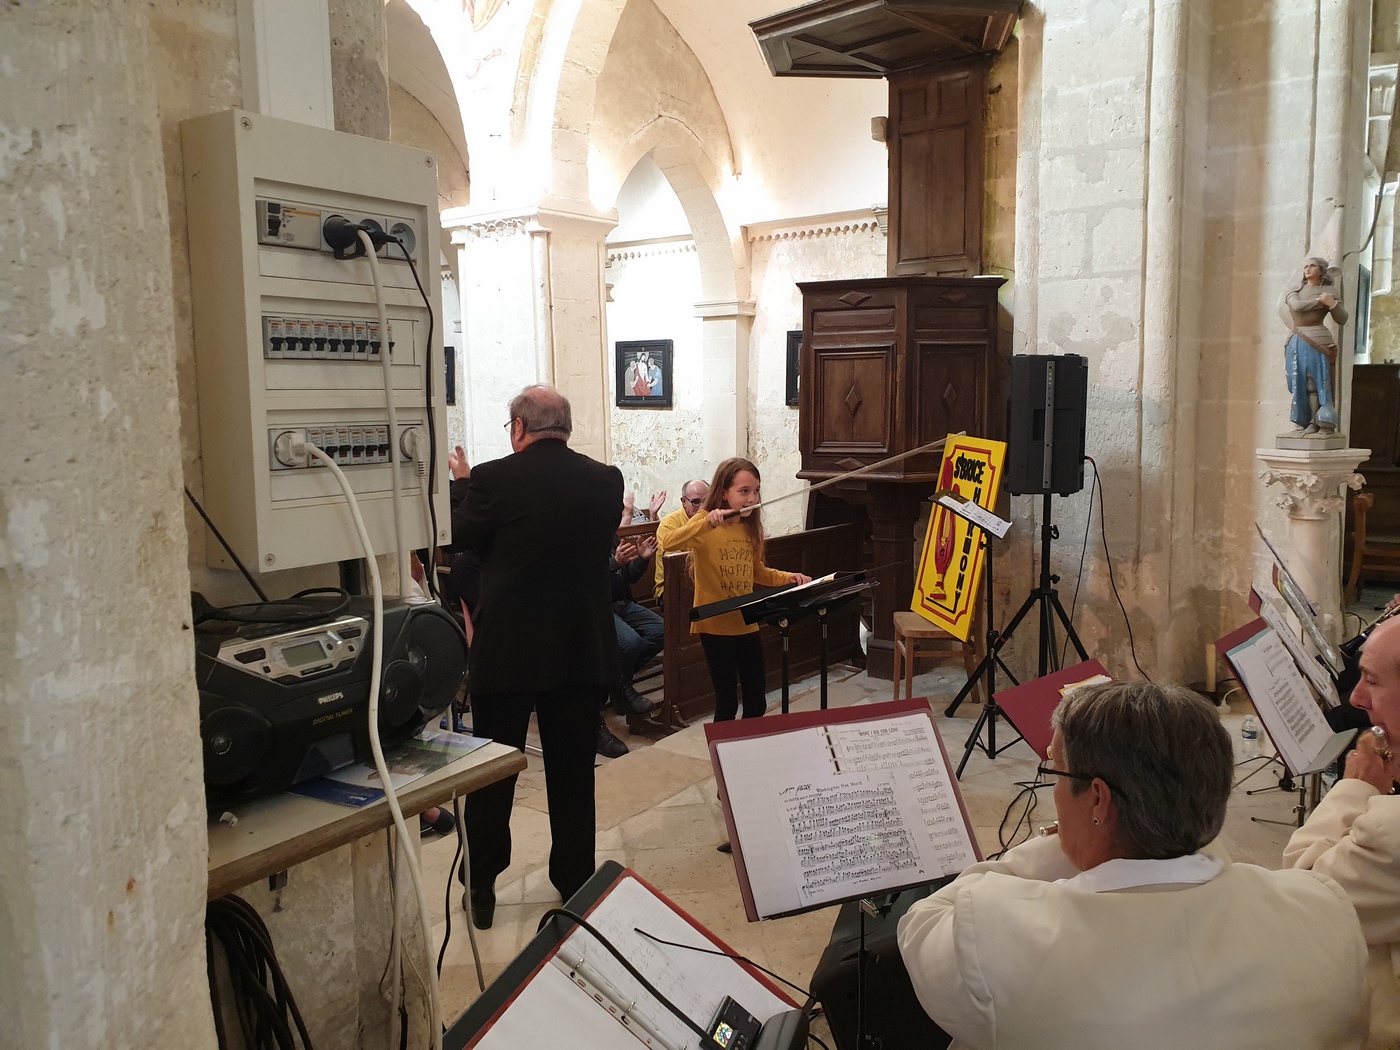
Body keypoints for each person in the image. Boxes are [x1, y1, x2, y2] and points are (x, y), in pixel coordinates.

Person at [898, 682, 1370, 1050]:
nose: (1055, 792)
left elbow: (922, 923)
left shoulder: (997, 934)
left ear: (1098, 798)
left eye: (1055, 772)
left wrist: (1058, 843)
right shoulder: (1324, 912)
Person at [455, 385, 623, 929]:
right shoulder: (605, 481)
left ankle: (482, 885)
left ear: (520, 428)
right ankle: (574, 882)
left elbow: (460, 538)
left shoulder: (493, 478)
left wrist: (463, 491)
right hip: (580, 646)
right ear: (566, 428)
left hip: (508, 649)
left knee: (493, 771)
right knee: (574, 771)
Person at [1286, 613, 1400, 1048]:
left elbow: (1305, 893)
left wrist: (1356, 787)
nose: (1356, 698)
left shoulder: (1388, 836)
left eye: (1371, 680)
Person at [664, 458, 810, 721]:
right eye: (744, 492)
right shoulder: (704, 522)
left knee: (756, 700)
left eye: (756, 491)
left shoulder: (749, 528)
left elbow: (757, 572)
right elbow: (667, 542)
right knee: (727, 702)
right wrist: (705, 522)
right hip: (715, 624)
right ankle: (724, 756)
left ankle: (748, 753)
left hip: (746, 621)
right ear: (723, 493)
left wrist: (789, 577)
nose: (752, 498)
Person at [1281, 256, 1347, 436]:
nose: (1308, 269)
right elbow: (1297, 306)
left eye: (1313, 266)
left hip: (1318, 339)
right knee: (1295, 381)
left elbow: (1342, 318)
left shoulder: (1329, 291)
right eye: (1306, 266)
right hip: (1297, 338)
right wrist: (1321, 302)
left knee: (1316, 382)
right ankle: (1302, 420)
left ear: (1321, 271)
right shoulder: (1295, 289)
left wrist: (1332, 303)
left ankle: (1318, 422)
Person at [653, 479, 709, 609]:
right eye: (695, 502)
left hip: (705, 582)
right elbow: (678, 562)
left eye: (706, 501)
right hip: (672, 587)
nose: (702, 507)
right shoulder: (669, 524)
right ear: (684, 502)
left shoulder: (713, 519)